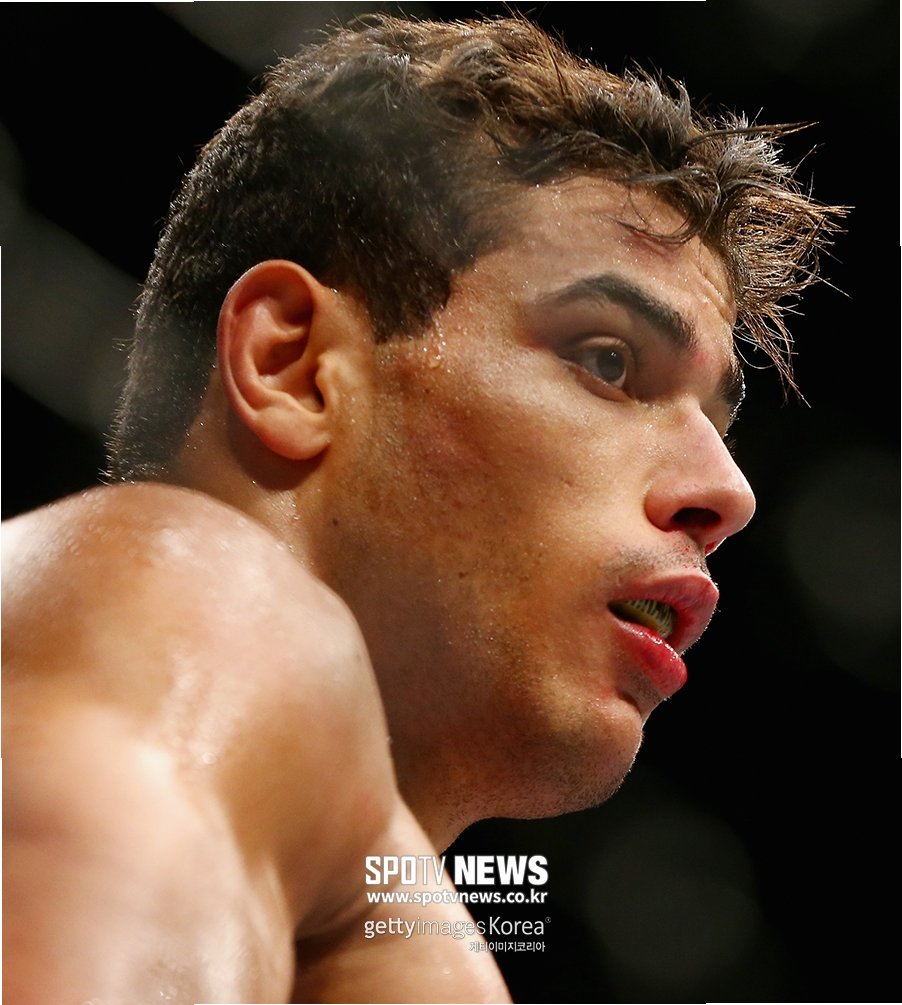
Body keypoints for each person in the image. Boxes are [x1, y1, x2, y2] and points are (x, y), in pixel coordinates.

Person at [2, 13, 843, 1004]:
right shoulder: (197, 595)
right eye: (608, 361)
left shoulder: (408, 942)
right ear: (293, 367)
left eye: (717, 424)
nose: (729, 493)